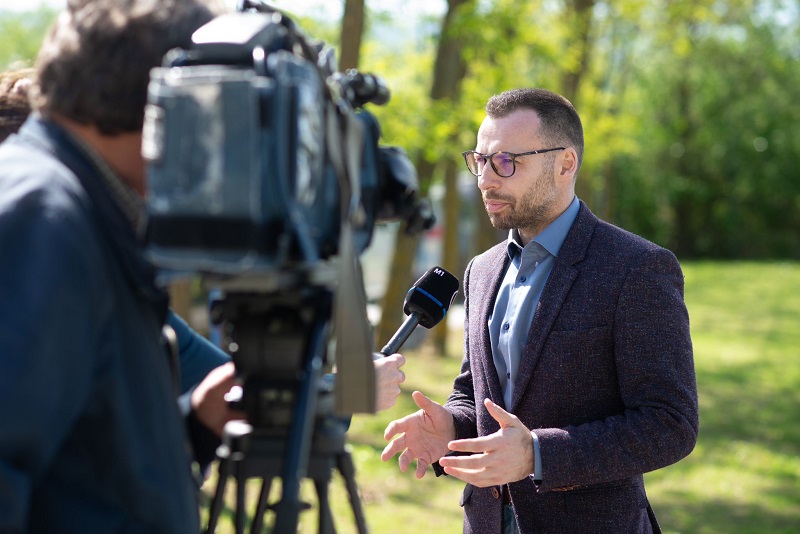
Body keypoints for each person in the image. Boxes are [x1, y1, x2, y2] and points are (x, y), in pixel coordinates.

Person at [0, 5, 406, 528]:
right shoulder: (43, 219)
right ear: (174, 102)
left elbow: (77, 468)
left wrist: (193, 424)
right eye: (237, 114)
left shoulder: (81, 214)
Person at [381, 88, 699, 533]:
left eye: (507, 162)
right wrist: (452, 426)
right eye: (480, 160)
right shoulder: (481, 270)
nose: (485, 180)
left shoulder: (638, 268)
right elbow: (478, 394)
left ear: (565, 163)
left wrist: (538, 454)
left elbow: (670, 424)